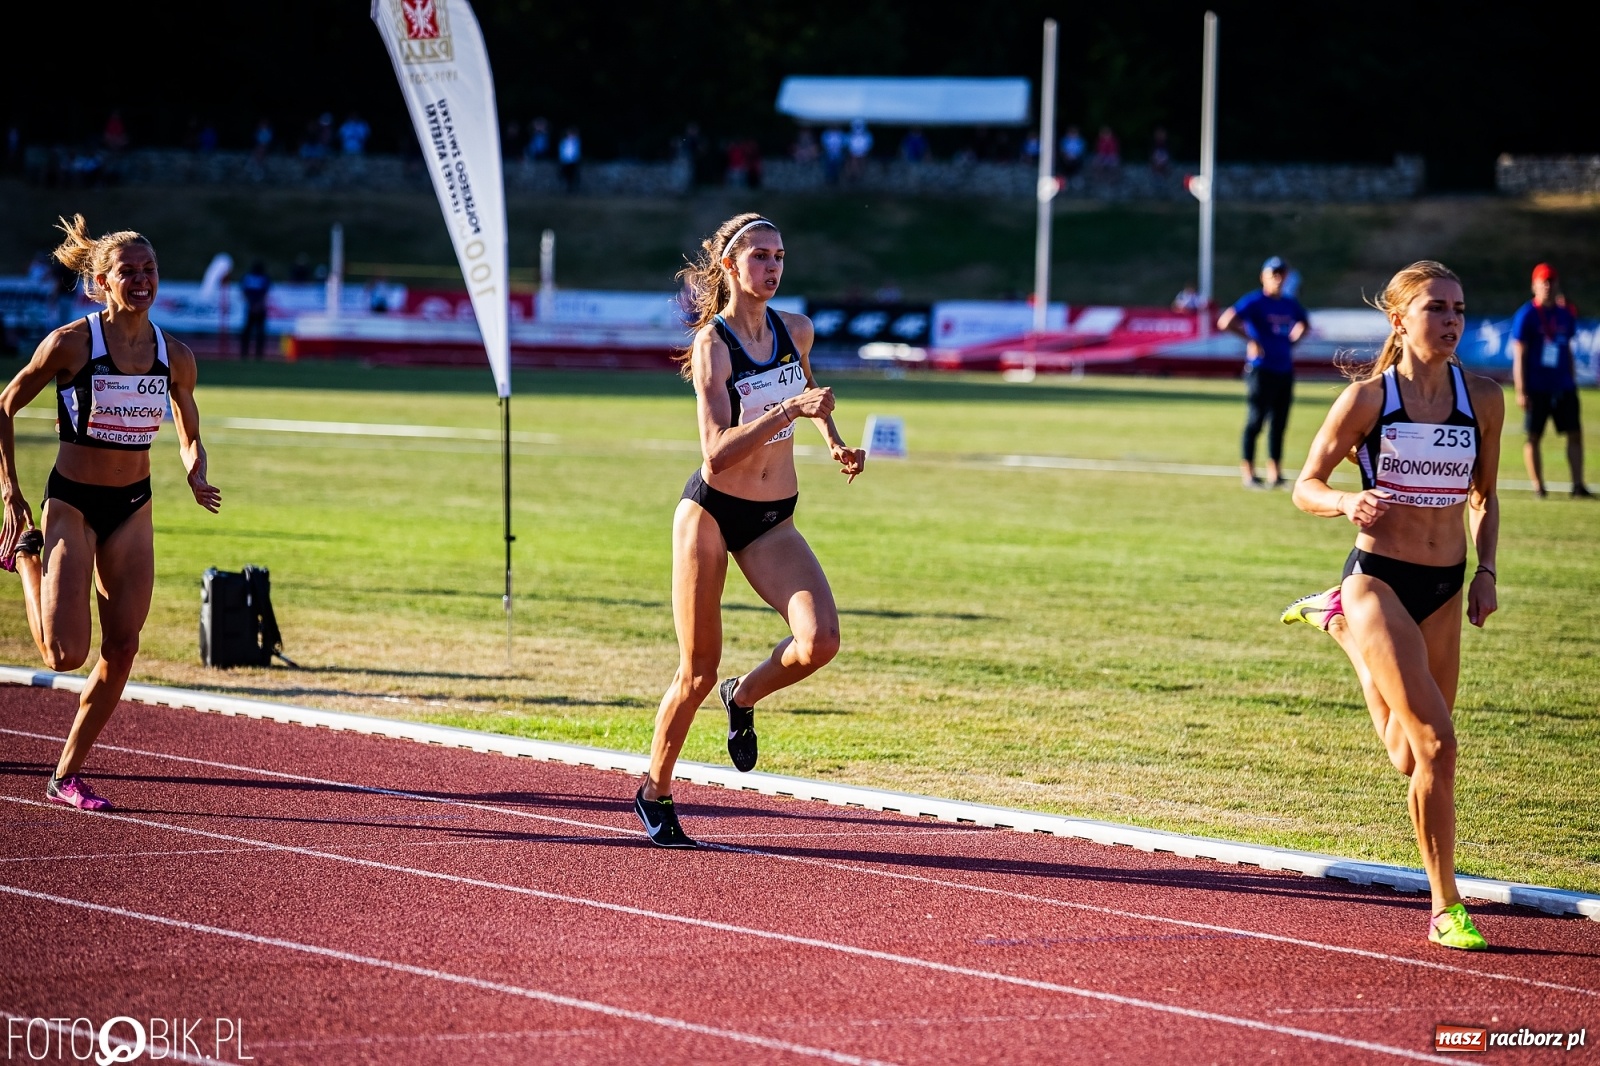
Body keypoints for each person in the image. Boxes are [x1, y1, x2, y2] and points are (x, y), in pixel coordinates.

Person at [1281, 260, 1501, 950]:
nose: (1452, 321)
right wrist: (1347, 499)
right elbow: (1305, 485)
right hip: (1377, 579)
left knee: (1412, 758)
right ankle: (1445, 907)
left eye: (1459, 309)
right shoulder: (1368, 401)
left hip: (1444, 587)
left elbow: (1485, 497)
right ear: (1401, 319)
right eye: (1437, 308)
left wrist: (1485, 571)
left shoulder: (1485, 399)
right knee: (1440, 745)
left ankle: (1339, 629)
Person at [634, 214, 866, 848]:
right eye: (761, 256)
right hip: (711, 513)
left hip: (772, 519)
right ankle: (655, 789)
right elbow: (716, 454)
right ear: (731, 267)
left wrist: (836, 440)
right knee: (696, 670)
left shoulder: (797, 331)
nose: (773, 266)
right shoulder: (714, 345)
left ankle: (745, 697)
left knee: (820, 641)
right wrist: (787, 409)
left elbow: (810, 392)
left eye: (781, 256)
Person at [0, 215, 221, 811]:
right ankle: (25, 559)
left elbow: (188, 427)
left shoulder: (175, 355)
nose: (143, 280)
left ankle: (65, 774)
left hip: (133, 508)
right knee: (64, 656)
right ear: (101, 282)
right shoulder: (72, 342)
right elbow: (5, 404)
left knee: (122, 648)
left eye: (150, 270)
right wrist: (9, 490)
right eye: (130, 271)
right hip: (72, 503)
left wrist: (195, 469)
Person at [1217, 256, 1309, 488]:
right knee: (1256, 421)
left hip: (1284, 369)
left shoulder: (1289, 303)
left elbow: (1304, 323)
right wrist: (1251, 340)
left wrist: (1292, 342)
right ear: (1264, 277)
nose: (1278, 278)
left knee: (1279, 423)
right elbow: (1226, 321)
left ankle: (1275, 473)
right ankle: (1248, 472)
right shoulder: (1255, 301)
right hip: (1261, 369)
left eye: (1281, 274)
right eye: (1273, 274)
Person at [1511, 262, 1589, 498]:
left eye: (1551, 281)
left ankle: (1578, 485)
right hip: (1537, 386)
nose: (1548, 286)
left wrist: (1572, 380)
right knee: (1534, 435)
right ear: (1534, 285)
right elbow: (1519, 354)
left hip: (1563, 384)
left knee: (1574, 433)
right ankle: (1538, 486)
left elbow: (1568, 350)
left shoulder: (1565, 314)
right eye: (1543, 281)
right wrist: (1521, 389)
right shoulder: (1527, 315)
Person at [239, 261, 271, 359]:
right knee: (259, 332)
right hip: (259, 308)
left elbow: (243, 292)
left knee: (248, 331)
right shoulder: (264, 278)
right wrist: (258, 305)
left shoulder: (247, 277)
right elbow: (266, 293)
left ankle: (245, 353)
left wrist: (251, 305)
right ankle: (258, 354)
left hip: (251, 307)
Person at [558, 127, 581, 192]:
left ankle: (572, 188)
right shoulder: (564, 142)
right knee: (565, 175)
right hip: (565, 161)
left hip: (573, 161)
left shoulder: (576, 142)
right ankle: (566, 188)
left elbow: (576, 152)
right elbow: (562, 151)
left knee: (573, 175)